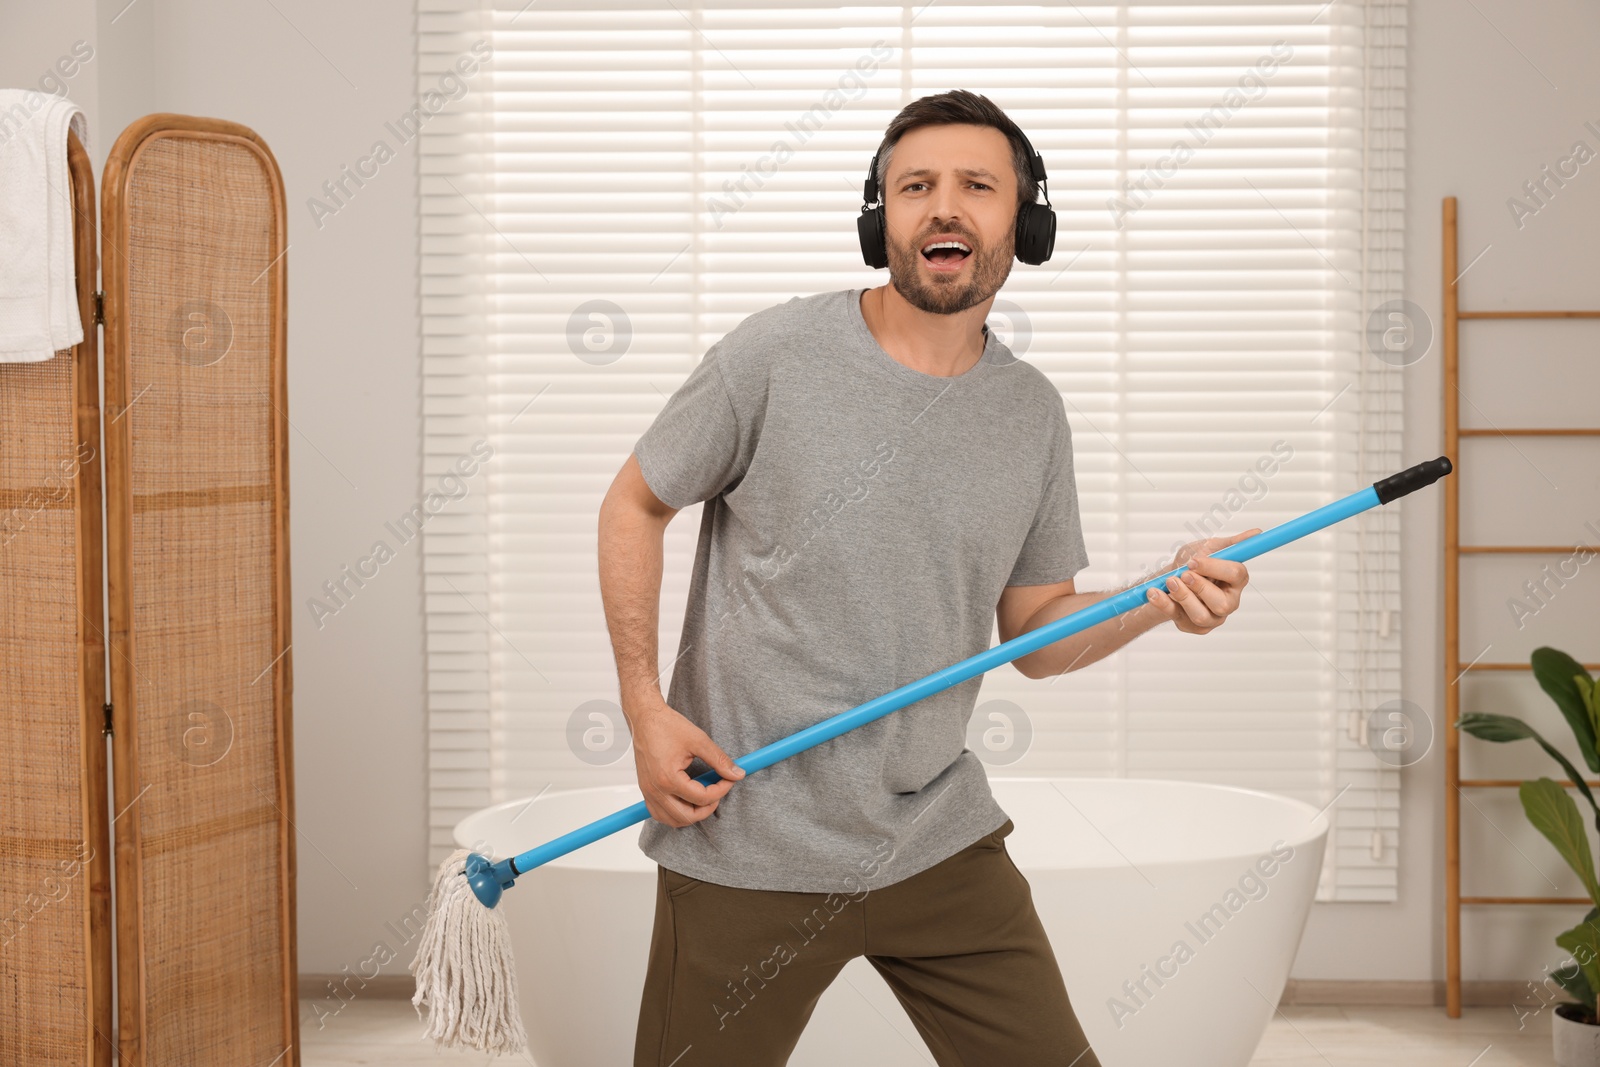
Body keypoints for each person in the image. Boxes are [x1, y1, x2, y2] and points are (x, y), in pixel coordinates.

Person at [598, 88, 1255, 1067]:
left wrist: (1155, 600)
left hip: (936, 838)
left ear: (1022, 220)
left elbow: (1038, 628)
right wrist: (645, 708)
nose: (945, 206)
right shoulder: (772, 355)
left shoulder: (1031, 415)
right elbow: (633, 505)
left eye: (977, 186)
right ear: (883, 219)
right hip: (746, 838)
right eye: (916, 186)